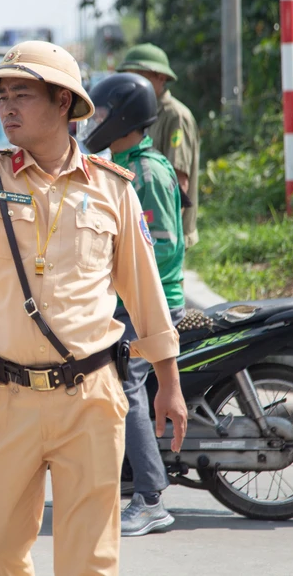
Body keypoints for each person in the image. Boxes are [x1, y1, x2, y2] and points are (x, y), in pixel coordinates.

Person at [0, 40, 187, 576]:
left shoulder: (113, 190)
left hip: (90, 400)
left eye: (22, 93)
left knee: (88, 562)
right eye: (2, 95)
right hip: (4, 401)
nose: (8, 107)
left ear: (63, 103)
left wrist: (170, 382)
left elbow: (145, 292)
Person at [78, 72, 186, 537]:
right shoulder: (121, 164)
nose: (95, 122)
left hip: (148, 306)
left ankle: (149, 498)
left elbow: (158, 250)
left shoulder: (146, 171)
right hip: (130, 300)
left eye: (101, 114)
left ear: (124, 117)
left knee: (125, 389)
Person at [117, 43, 200, 248]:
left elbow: (180, 183)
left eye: (138, 76)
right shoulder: (144, 113)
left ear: (160, 78)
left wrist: (167, 238)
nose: (131, 84)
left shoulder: (175, 116)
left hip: (164, 238)